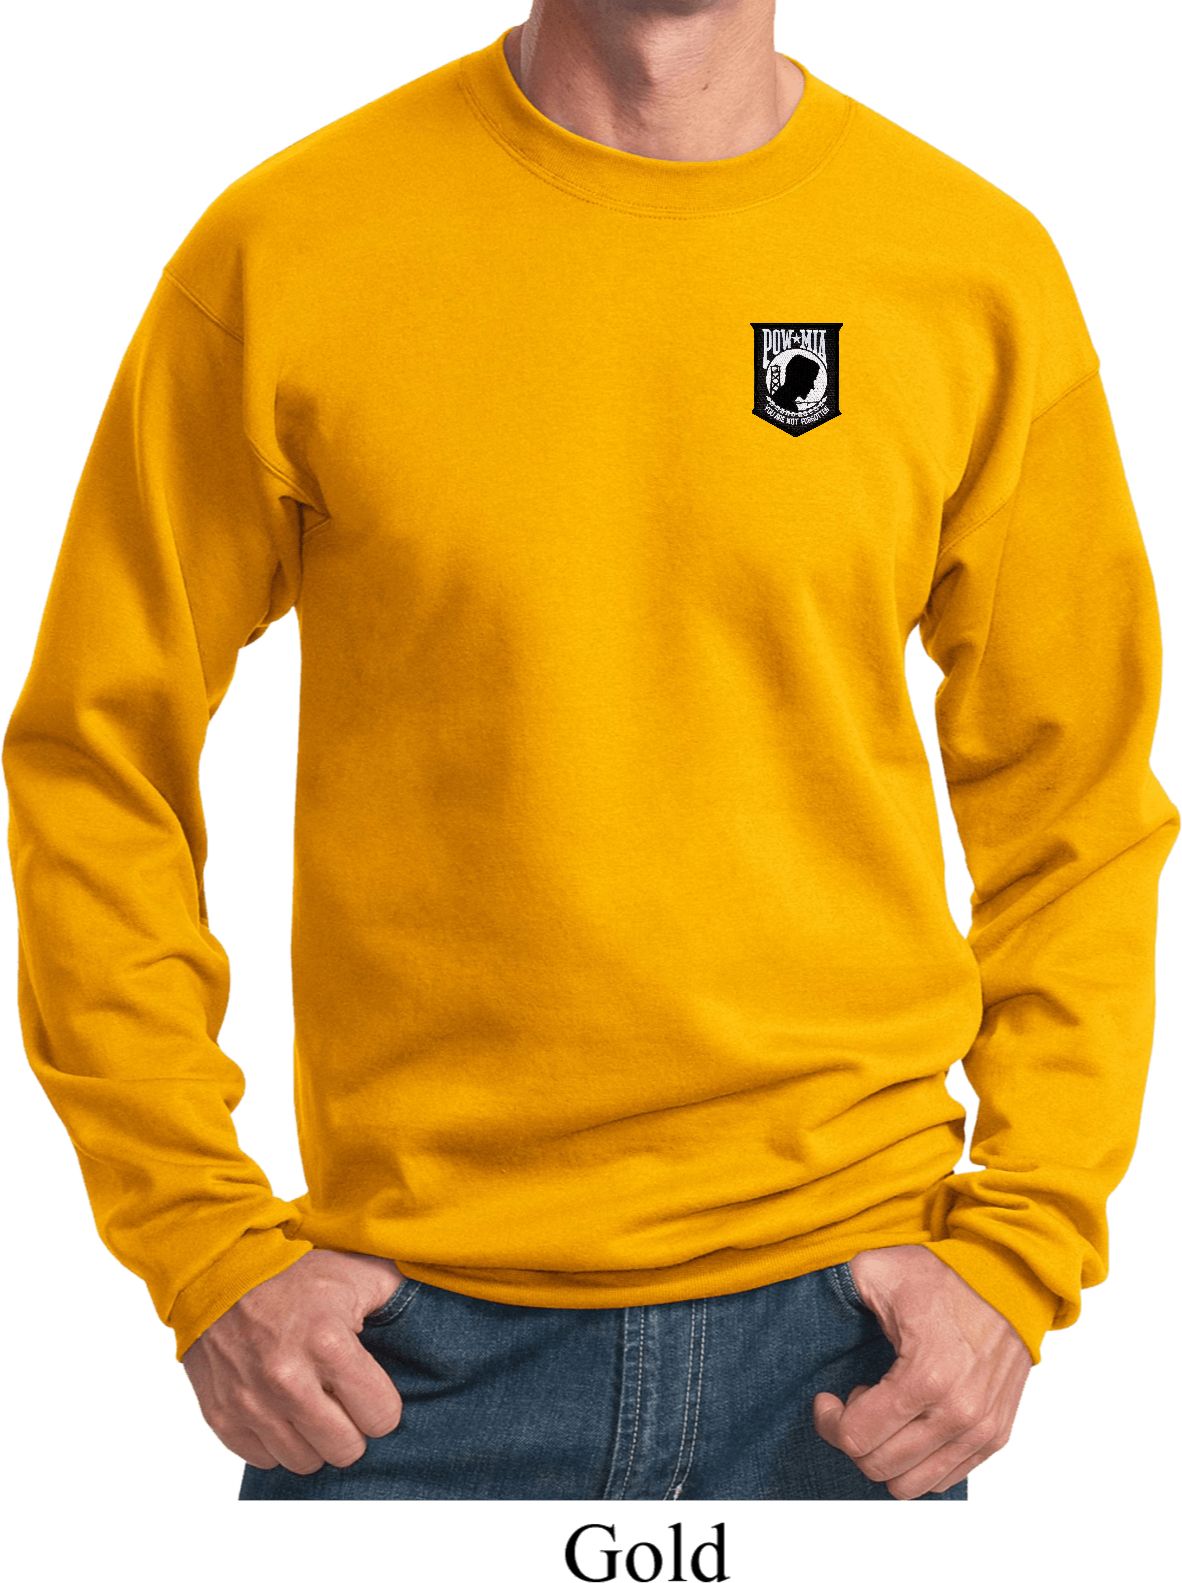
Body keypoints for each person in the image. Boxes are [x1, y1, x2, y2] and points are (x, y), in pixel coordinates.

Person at [3, 0, 1176, 1504]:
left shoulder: (969, 268)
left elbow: (1075, 799)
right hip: (400, 1365)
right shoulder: (289, 247)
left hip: (849, 1350)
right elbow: (95, 757)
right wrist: (199, 1241)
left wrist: (1020, 1249)